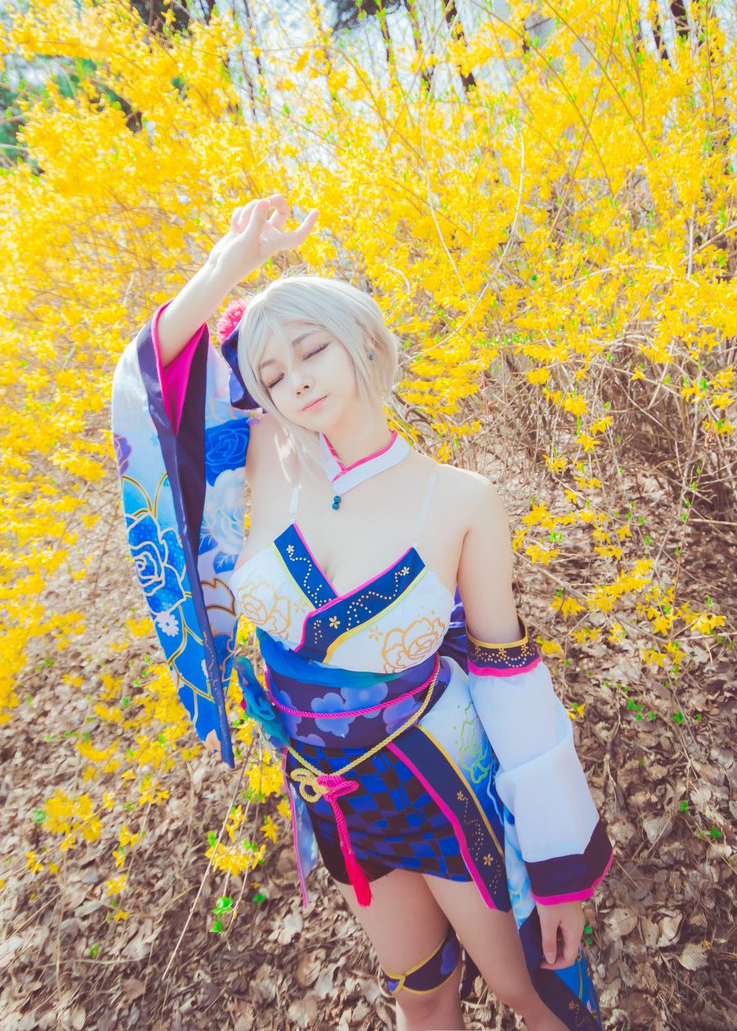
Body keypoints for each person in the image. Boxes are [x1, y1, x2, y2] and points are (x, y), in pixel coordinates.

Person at [111, 195, 612, 1031]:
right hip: (337, 796)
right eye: (273, 373)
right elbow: (154, 392)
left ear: (365, 343)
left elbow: (509, 675)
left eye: (312, 349)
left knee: (529, 989)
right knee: (421, 991)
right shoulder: (257, 461)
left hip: (445, 782)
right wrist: (229, 268)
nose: (296, 379)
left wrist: (561, 865)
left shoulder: (461, 499)